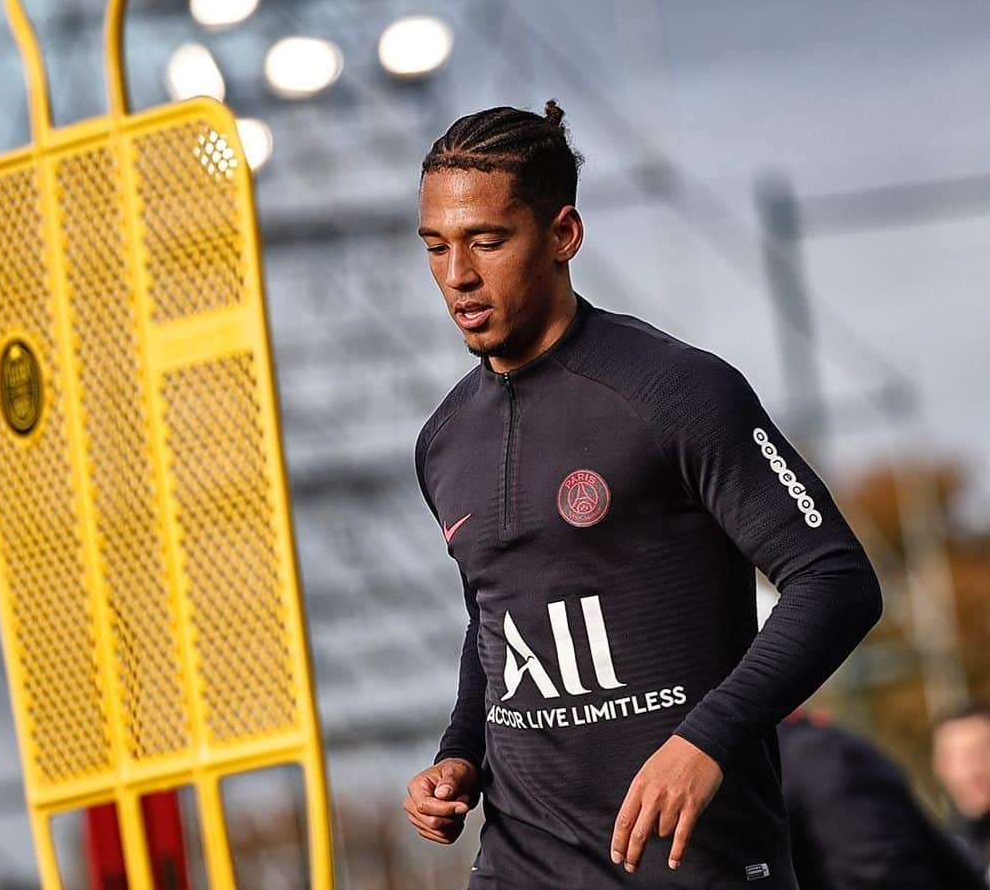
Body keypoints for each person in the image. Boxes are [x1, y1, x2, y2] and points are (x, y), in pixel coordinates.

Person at [402, 100, 883, 889]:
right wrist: (460, 751)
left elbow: (836, 581)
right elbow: (493, 617)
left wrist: (708, 740)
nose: (458, 274)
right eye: (436, 247)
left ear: (563, 235)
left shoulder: (674, 391)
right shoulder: (444, 439)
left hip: (693, 868)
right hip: (524, 867)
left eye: (487, 241)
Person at [779, 705, 988, 889]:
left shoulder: (816, 754)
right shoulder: (958, 839)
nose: (966, 772)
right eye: (950, 758)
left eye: (979, 754)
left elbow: (881, 873)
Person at [931, 701, 990, 882]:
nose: (970, 772)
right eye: (954, 759)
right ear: (939, 767)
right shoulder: (937, 856)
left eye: (980, 754)